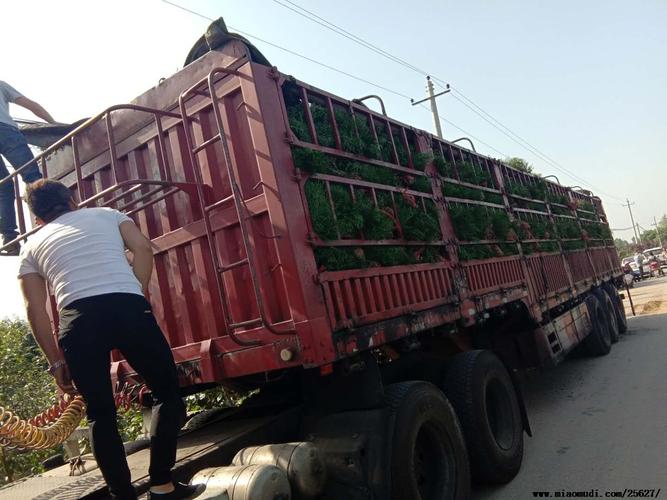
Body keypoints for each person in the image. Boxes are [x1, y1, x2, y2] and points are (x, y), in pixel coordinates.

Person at [17, 179, 202, 500]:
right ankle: (161, 485)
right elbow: (143, 248)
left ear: (37, 218)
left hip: (78, 322)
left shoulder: (31, 246)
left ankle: (122, 496)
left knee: (100, 414)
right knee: (167, 393)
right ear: (72, 201)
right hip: (127, 307)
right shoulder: (107, 214)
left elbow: (36, 310)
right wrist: (136, 289)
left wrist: (55, 361)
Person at [1, 80, 55, 255]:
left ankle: (10, 239)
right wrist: (53, 125)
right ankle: (52, 215)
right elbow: (33, 106)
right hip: (5, 131)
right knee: (32, 177)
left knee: (3, 187)